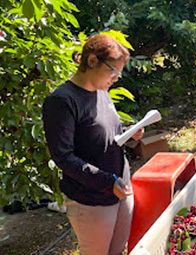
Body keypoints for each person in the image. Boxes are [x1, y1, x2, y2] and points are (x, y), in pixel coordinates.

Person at [42, 34, 144, 255]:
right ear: (91, 62)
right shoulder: (61, 101)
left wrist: (129, 133)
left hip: (120, 187)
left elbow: (105, 135)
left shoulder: (101, 90)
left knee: (118, 250)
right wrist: (107, 182)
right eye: (113, 71)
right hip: (91, 199)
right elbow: (63, 157)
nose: (116, 78)